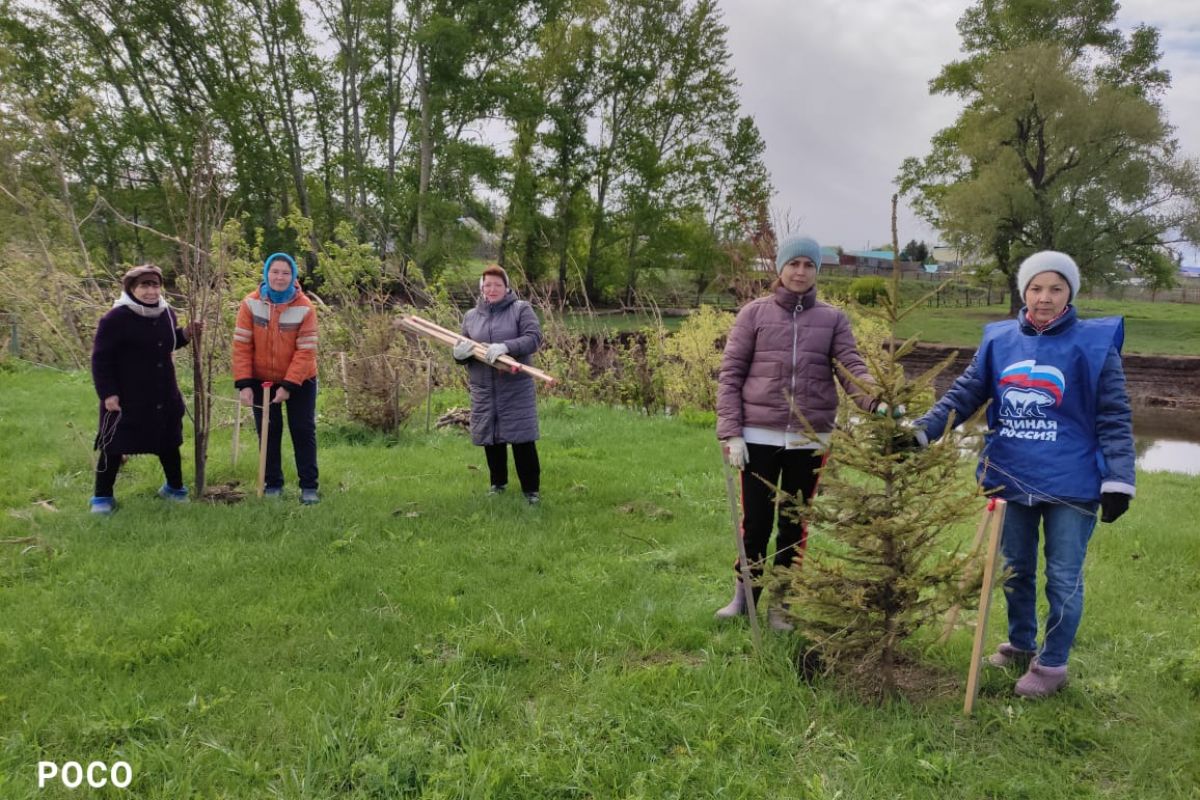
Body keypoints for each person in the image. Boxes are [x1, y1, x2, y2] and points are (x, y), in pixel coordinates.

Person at [909, 250, 1135, 698]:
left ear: (1070, 292)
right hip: (1012, 473)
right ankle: (1020, 643)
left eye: (1055, 288)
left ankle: (1051, 665)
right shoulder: (999, 341)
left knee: (1063, 576)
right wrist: (923, 430)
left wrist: (1119, 478)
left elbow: (1114, 416)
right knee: (1014, 569)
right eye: (1035, 288)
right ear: (1023, 292)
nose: (1044, 297)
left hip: (1072, 483)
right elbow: (966, 392)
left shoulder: (1095, 345)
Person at [715, 234, 879, 630]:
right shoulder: (753, 315)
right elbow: (731, 374)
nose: (801, 272)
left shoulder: (833, 319)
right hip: (757, 436)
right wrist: (731, 432)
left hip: (810, 438)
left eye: (809, 265)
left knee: (794, 522)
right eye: (794, 264)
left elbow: (851, 367)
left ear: (817, 271)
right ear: (780, 268)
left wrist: (878, 400)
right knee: (755, 523)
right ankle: (745, 596)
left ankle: (782, 603)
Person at [90, 265, 200, 513]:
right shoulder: (114, 319)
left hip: (162, 393)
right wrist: (108, 393)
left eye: (154, 285)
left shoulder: (166, 312)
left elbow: (168, 342)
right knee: (114, 446)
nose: (151, 291)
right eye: (144, 286)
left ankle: (174, 488)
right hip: (127, 396)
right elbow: (101, 359)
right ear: (131, 289)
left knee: (168, 443)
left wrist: (186, 333)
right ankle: (102, 497)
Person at [232, 252, 320, 504]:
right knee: (268, 430)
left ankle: (309, 487)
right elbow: (241, 345)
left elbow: (306, 351)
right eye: (275, 272)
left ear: (293, 277)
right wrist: (245, 384)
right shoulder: (250, 303)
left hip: (301, 380)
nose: (279, 277)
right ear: (266, 274)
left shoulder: (305, 307)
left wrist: (289, 385)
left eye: (285, 273)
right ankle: (273, 483)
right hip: (261, 380)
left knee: (302, 430)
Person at [452, 265, 544, 504]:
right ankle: (498, 484)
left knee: (522, 440)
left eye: (497, 285)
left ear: (506, 287)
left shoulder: (520, 309)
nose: (492, 289)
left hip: (514, 387)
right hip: (484, 387)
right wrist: (459, 355)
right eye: (488, 285)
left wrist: (506, 347)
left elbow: (533, 339)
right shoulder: (471, 316)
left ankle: (531, 491)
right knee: (491, 439)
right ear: (482, 288)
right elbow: (465, 348)